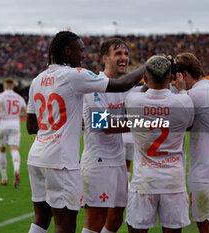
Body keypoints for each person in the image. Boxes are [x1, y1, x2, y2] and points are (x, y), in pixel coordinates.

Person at [26, 31, 145, 233]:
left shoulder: (38, 80)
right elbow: (103, 123)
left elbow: (31, 127)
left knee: (42, 218)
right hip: (66, 160)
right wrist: (151, 65)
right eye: (80, 51)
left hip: (39, 154)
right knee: (67, 223)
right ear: (67, 51)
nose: (83, 56)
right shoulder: (79, 77)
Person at [125, 56, 194, 233]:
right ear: (171, 79)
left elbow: (142, 93)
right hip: (173, 181)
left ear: (145, 79)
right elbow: (189, 121)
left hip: (144, 180)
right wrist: (183, 90)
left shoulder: (133, 100)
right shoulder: (184, 101)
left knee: (137, 230)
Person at [81, 38, 133, 233]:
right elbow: (104, 125)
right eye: (118, 53)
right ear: (106, 58)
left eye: (126, 54)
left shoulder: (125, 87)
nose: (124, 58)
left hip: (118, 160)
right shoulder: (95, 84)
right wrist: (145, 124)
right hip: (98, 161)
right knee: (96, 220)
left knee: (115, 219)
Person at [174, 52, 209, 233]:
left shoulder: (197, 94)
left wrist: (180, 90)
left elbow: (176, 116)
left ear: (184, 74)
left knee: (206, 225)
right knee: (206, 223)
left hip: (206, 172)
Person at [0, 77, 27, 188]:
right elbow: (25, 112)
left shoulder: (0, 96)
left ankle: (4, 178)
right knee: (14, 149)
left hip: (3, 124)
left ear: (4, 86)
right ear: (13, 86)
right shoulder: (19, 97)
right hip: (15, 125)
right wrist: (17, 115)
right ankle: (16, 170)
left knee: (2, 150)